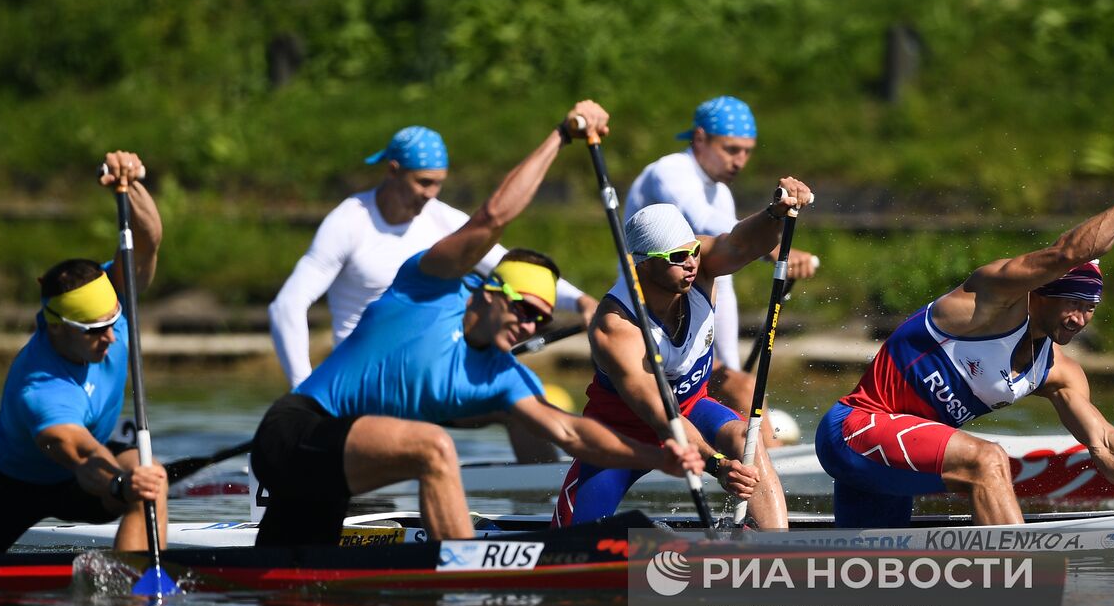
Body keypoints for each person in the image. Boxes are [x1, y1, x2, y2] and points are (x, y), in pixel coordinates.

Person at [250, 101, 702, 545]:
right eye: (523, 311)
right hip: (298, 428)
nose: (529, 328)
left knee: (299, 595)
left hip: (334, 469)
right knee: (434, 447)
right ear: (487, 294)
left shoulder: (502, 376)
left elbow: (572, 433)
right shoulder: (424, 289)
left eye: (540, 320)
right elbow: (494, 217)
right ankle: (469, 576)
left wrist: (658, 458)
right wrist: (561, 136)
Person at [815, 165, 1114, 528]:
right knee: (987, 460)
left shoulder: (1060, 372)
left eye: (1089, 308)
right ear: (1040, 294)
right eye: (1072, 305)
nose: (1080, 319)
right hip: (853, 430)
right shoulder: (987, 303)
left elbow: (1105, 444)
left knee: (874, 574)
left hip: (895, 460)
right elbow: (1067, 254)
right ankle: (1019, 574)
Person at [269, 124, 598, 462]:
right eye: (423, 182)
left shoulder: (441, 219)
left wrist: (583, 301)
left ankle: (543, 502)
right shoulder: (350, 222)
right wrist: (303, 397)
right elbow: (287, 306)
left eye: (438, 183)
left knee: (525, 407)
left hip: (435, 375)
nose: (430, 193)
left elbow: (514, 269)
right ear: (393, 171)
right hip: (369, 388)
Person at [0, 153, 168, 553]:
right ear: (58, 328)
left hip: (86, 480)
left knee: (151, 481)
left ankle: (132, 595)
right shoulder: (41, 388)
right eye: (95, 331)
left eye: (114, 322)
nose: (111, 338)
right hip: (11, 486)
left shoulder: (111, 302)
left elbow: (148, 241)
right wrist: (118, 482)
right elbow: (84, 456)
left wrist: (129, 186)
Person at [552, 180, 815, 530]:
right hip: (622, 432)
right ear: (643, 265)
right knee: (573, 539)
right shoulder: (616, 327)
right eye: (677, 257)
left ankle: (779, 549)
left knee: (744, 439)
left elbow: (740, 243)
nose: (692, 262)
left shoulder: (701, 265)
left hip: (694, 406)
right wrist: (718, 466)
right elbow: (664, 417)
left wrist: (775, 214)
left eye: (692, 250)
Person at [624, 95, 817, 445]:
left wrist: (728, 365)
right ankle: (772, 475)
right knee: (742, 389)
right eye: (731, 149)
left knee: (740, 385)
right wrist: (772, 247)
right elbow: (707, 227)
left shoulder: (721, 193)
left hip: (688, 319)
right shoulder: (669, 172)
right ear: (700, 138)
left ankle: (746, 463)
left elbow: (719, 286)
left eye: (747, 151)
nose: (740, 161)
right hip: (643, 323)